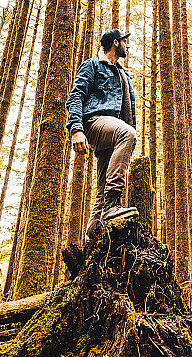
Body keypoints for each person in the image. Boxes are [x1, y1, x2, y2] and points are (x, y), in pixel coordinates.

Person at [66, 28, 138, 241]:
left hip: (113, 132)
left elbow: (127, 110)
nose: (128, 46)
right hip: (94, 123)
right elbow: (76, 96)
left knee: (101, 188)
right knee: (127, 133)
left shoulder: (122, 73)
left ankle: (92, 238)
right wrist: (76, 129)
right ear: (116, 43)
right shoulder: (93, 65)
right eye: (125, 41)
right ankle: (113, 203)